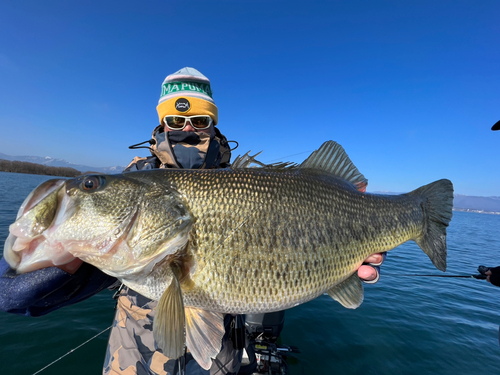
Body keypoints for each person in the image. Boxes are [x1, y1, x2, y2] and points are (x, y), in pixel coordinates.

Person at [0, 67, 385, 375]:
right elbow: (11, 295)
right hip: (134, 360)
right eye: (175, 120)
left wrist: (348, 241)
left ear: (214, 124)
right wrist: (58, 262)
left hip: (220, 361)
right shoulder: (135, 188)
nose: (187, 130)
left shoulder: (249, 184)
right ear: (161, 123)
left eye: (200, 121)